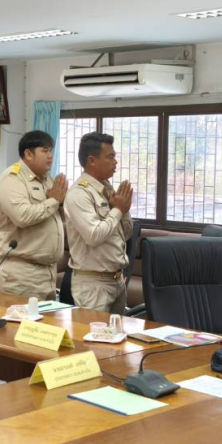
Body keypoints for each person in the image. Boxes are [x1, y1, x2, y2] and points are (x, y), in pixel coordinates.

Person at [0, 130, 67, 299]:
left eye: (51, 151)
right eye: (45, 151)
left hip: (46, 271)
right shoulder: (12, 179)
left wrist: (60, 204)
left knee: (44, 325)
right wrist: (54, 201)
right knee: (20, 324)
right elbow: (22, 216)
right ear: (28, 154)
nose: (50, 156)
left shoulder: (46, 179)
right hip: (20, 272)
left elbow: (52, 213)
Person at [64, 132, 133, 313]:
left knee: (117, 338)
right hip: (93, 284)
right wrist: (117, 210)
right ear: (92, 160)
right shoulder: (79, 193)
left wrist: (123, 211)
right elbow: (93, 236)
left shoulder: (107, 189)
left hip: (117, 280)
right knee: (93, 339)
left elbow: (125, 234)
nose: (115, 162)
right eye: (110, 157)